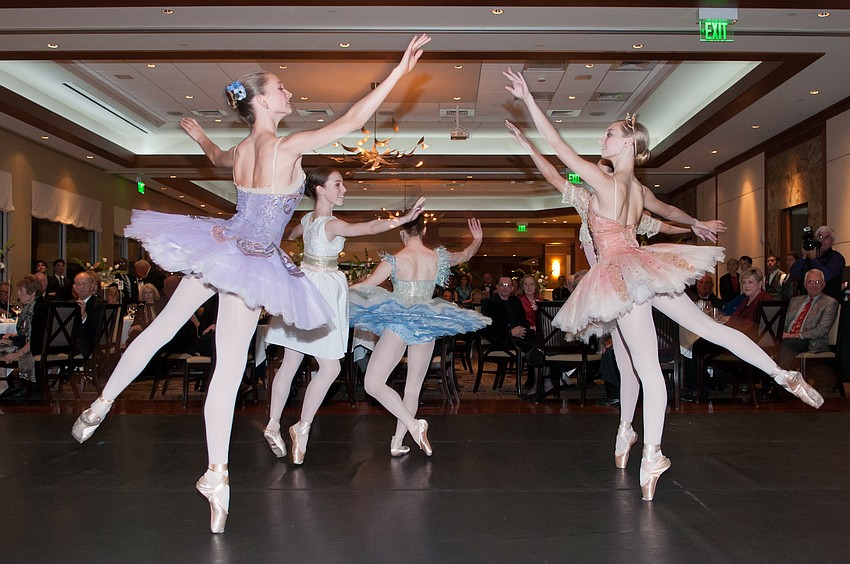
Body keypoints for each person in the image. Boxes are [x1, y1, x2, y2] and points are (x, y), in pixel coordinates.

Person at [70, 34, 431, 534]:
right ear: (261, 101)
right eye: (281, 88)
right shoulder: (285, 147)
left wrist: (200, 137)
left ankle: (101, 404)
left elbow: (217, 158)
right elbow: (350, 121)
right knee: (229, 365)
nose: (290, 94)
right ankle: (216, 474)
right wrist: (398, 72)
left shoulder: (242, 149)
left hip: (220, 245)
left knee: (161, 330)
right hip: (251, 259)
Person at [504, 68, 823, 501]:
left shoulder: (606, 182)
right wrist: (696, 223)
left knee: (646, 367)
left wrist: (529, 101)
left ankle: (651, 452)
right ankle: (781, 374)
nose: (602, 139)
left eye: (609, 134)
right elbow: (666, 211)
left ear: (628, 144)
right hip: (642, 266)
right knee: (704, 332)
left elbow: (559, 149)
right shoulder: (636, 189)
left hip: (621, 274)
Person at [260, 166, 424, 465]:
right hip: (322, 291)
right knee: (330, 368)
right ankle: (302, 428)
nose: (344, 189)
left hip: (302, 284)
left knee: (290, 362)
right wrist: (402, 220)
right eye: (337, 184)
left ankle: (273, 423)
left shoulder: (308, 219)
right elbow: (369, 228)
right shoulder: (330, 224)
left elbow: (292, 233)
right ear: (320, 189)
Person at [349, 216, 487, 457]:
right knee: (413, 388)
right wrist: (477, 239)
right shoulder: (437, 258)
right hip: (426, 322)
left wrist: (337, 288)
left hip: (398, 322)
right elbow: (465, 255)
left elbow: (366, 286)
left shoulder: (394, 260)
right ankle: (399, 439)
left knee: (372, 383)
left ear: (401, 233)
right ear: (423, 231)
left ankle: (410, 429)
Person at [686, 268, 771, 398]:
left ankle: (700, 389)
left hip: (748, 344)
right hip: (737, 339)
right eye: (744, 282)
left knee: (697, 346)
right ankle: (703, 386)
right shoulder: (746, 300)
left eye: (750, 282)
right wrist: (728, 320)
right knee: (698, 345)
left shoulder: (764, 300)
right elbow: (737, 320)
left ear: (760, 284)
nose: (746, 286)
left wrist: (729, 320)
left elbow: (753, 326)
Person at [777, 269, 839, 370]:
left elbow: (821, 330)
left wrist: (794, 335)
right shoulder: (795, 301)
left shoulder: (830, 303)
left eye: (817, 282)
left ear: (823, 284)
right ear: (805, 285)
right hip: (788, 338)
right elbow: (785, 322)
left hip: (811, 341)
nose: (814, 285)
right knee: (768, 340)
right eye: (810, 282)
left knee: (787, 343)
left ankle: (780, 376)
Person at [0, 276, 39, 399]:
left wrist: (16, 354)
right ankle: (3, 384)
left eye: (21, 290)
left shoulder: (36, 310)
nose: (17, 294)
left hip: (33, 348)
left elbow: (35, 338)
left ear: (32, 293)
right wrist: (14, 335)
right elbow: (28, 332)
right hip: (28, 343)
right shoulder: (29, 307)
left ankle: (3, 385)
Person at [789, 225, 846, 302]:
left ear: (832, 241)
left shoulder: (836, 257)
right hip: (806, 299)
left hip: (828, 301)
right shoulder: (808, 256)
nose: (822, 240)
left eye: (827, 238)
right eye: (820, 237)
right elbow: (793, 275)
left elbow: (827, 277)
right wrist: (803, 258)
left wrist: (814, 260)